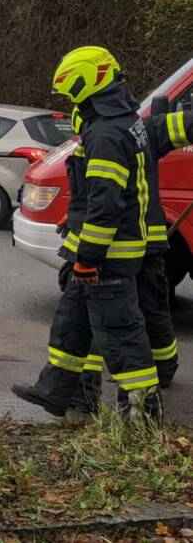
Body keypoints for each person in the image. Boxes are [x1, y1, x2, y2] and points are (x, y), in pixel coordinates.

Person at [11, 46, 162, 422]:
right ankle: (57, 391)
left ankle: (142, 414)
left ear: (88, 84)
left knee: (120, 333)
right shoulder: (120, 120)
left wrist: (89, 258)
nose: (69, 100)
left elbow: (107, 204)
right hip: (101, 249)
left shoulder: (108, 133)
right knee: (72, 323)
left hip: (108, 255)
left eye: (71, 91)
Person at [67, 97, 187, 417]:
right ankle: (163, 370)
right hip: (151, 242)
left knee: (107, 319)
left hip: (121, 246)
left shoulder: (104, 140)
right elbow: (183, 125)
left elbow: (102, 202)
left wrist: (87, 255)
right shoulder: (141, 130)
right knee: (153, 309)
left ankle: (101, 394)